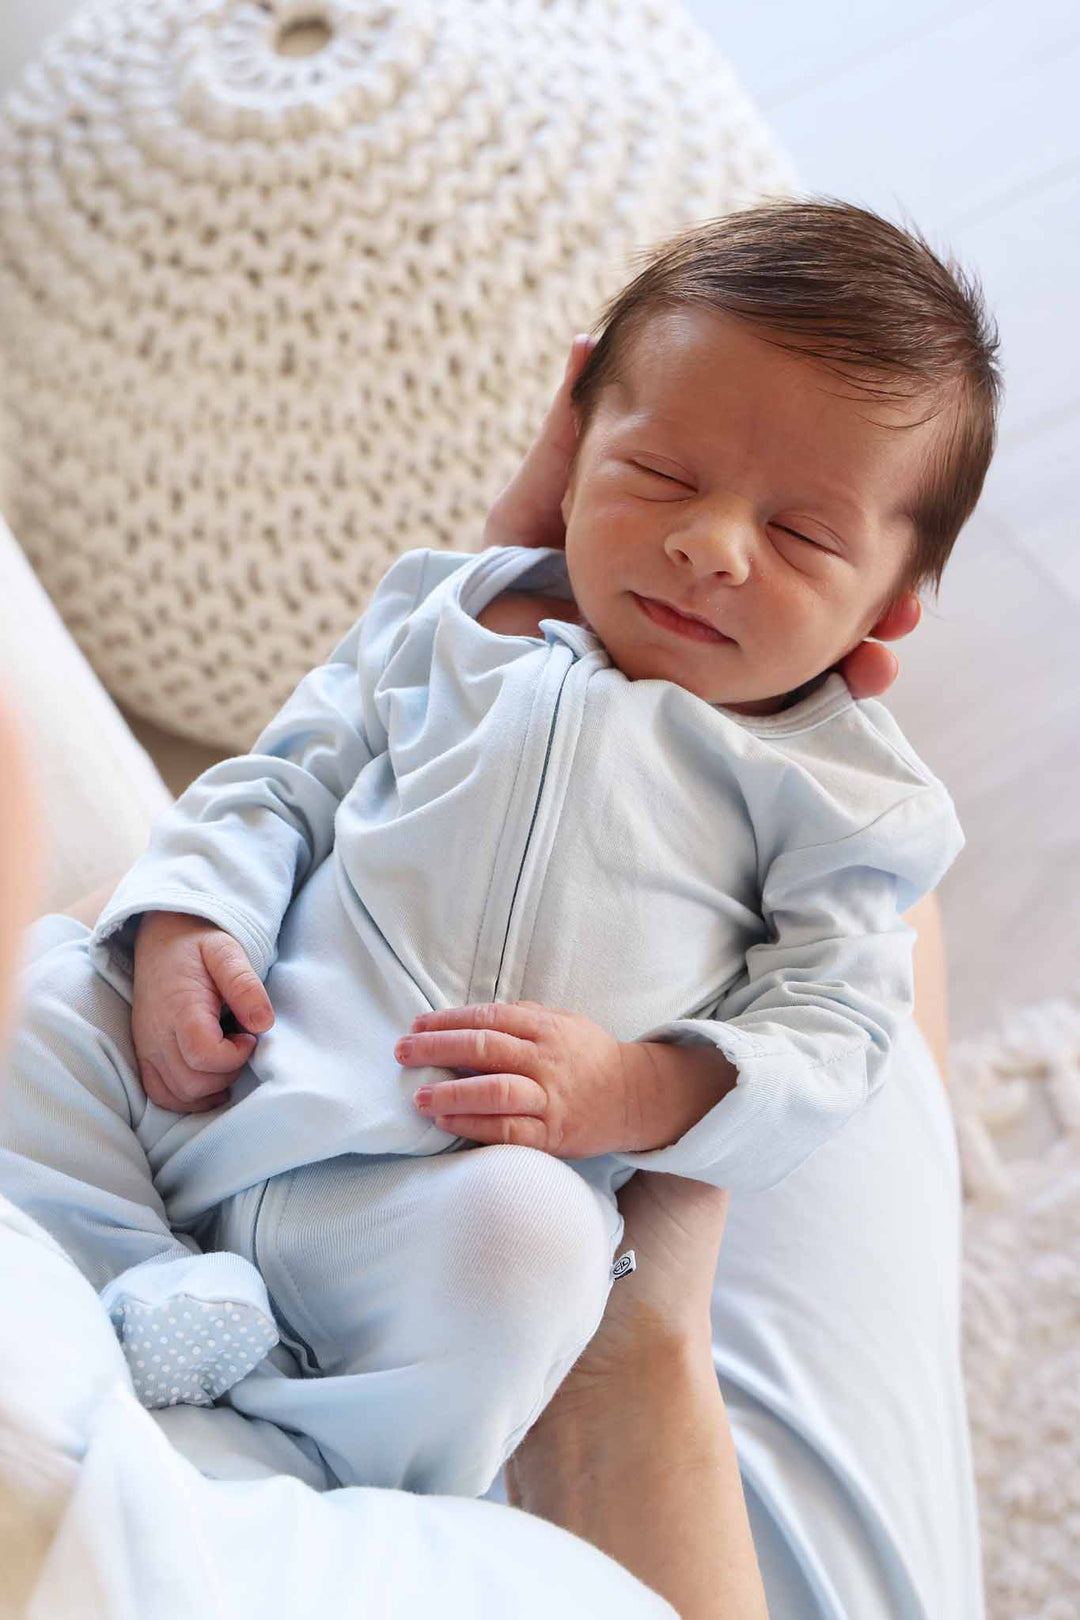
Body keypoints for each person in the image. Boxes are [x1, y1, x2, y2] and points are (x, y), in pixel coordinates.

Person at [2, 197, 991, 1612]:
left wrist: (640, 1092)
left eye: (801, 536)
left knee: (534, 1261)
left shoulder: (847, 802)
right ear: (575, 441)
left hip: (428, 1182)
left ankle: (309, 1445)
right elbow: (283, 782)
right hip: (224, 1065)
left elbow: (836, 1031)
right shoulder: (450, 612)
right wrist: (184, 927)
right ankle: (152, 1283)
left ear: (890, 613)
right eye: (659, 473)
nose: (713, 545)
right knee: (50, 992)